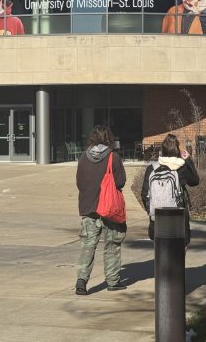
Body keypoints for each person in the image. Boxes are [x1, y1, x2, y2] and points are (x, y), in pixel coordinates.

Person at [75, 125, 127, 296]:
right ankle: (113, 281)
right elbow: (120, 182)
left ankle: (81, 282)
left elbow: (79, 183)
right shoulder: (114, 157)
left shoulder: (83, 157)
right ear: (109, 139)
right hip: (109, 209)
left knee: (88, 246)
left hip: (89, 207)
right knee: (112, 245)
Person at [141, 134, 199, 249]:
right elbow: (194, 181)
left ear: (162, 149)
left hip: (157, 218)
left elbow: (144, 194)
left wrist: (151, 210)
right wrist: (188, 160)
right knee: (179, 253)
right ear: (177, 150)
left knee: (160, 254)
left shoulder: (152, 168)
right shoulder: (180, 167)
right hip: (179, 219)